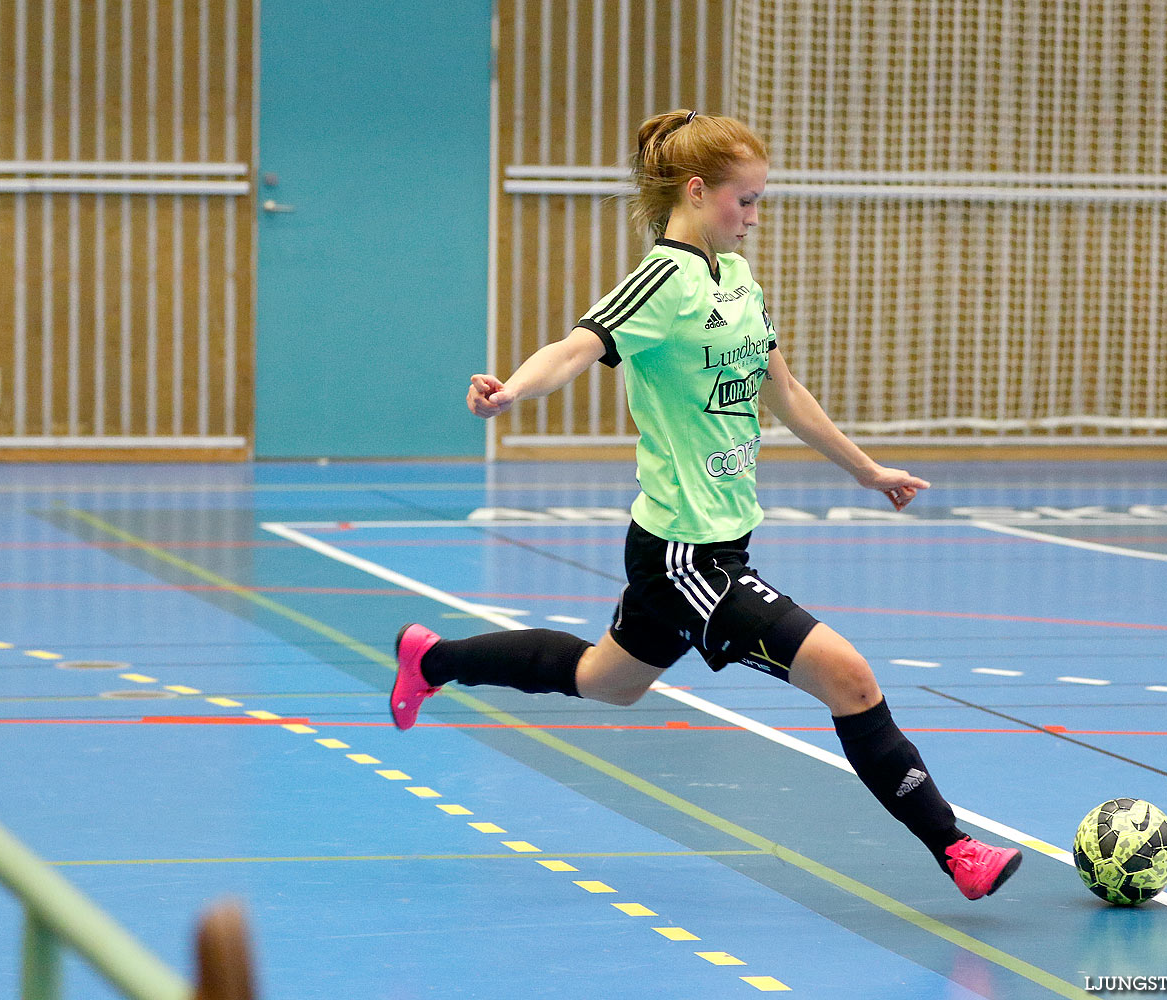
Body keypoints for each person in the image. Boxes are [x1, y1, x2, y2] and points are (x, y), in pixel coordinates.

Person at [392, 109, 1021, 900]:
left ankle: (433, 658)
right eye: (745, 200)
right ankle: (956, 849)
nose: (754, 218)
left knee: (606, 680)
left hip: (711, 545)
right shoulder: (662, 281)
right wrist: (512, 388)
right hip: (687, 555)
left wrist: (865, 470)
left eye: (759, 201)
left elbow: (782, 391)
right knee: (851, 679)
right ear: (697, 190)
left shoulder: (739, 279)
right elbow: (577, 347)